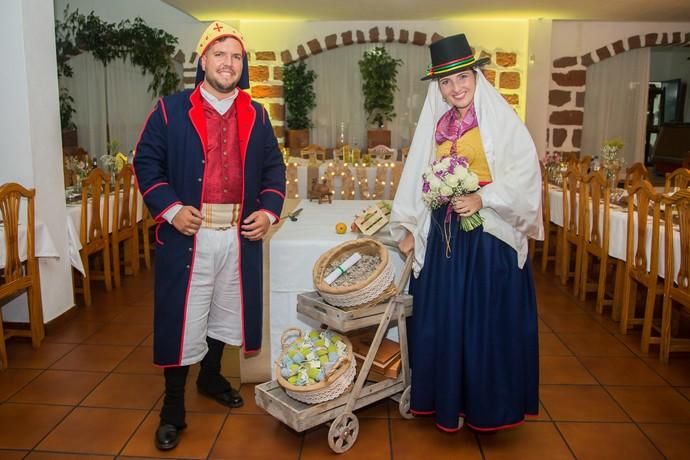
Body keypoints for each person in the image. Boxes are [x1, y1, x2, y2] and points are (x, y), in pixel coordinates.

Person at [134, 21, 286, 450]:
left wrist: (269, 210)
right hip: (189, 235)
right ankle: (173, 407)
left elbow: (275, 168)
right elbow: (145, 162)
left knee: (227, 310)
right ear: (203, 61)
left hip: (238, 235)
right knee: (184, 319)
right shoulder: (169, 110)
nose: (229, 62)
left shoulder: (256, 114)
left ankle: (213, 375)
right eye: (220, 53)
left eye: (236, 56)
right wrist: (172, 209)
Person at [391, 33, 543, 433]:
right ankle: (446, 400)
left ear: (476, 76)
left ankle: (487, 405)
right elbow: (416, 174)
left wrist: (484, 198)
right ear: (438, 88)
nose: (455, 88)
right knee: (444, 317)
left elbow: (526, 174)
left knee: (482, 321)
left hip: (487, 243)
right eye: (446, 82)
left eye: (462, 78)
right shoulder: (437, 125)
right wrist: (408, 224)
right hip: (446, 238)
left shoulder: (501, 121)